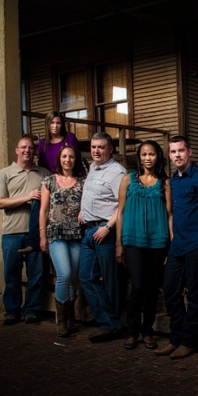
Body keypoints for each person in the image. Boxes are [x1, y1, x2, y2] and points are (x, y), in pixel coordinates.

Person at [153, 136, 198, 359]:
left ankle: (189, 341)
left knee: (196, 295)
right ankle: (176, 338)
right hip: (177, 245)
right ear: (169, 155)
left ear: (190, 152)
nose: (177, 155)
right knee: (170, 291)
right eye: (173, 152)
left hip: (197, 245)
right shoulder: (173, 181)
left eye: (181, 150)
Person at [116, 140, 173, 351]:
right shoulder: (128, 180)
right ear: (139, 157)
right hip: (133, 241)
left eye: (151, 154)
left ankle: (147, 332)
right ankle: (132, 332)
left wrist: (172, 242)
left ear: (158, 156)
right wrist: (118, 244)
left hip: (158, 242)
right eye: (144, 154)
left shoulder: (164, 183)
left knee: (151, 289)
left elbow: (169, 215)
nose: (147, 158)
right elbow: (120, 213)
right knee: (138, 286)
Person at [0, 136, 50, 325]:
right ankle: (11, 310)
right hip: (12, 232)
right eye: (23, 147)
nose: (27, 151)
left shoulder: (43, 173)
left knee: (37, 273)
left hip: (36, 233)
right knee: (11, 274)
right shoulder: (5, 173)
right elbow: (0, 202)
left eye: (31, 148)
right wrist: (27, 197)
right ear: (17, 150)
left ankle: (31, 310)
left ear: (35, 152)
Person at [79, 132, 128, 343]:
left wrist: (108, 226)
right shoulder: (92, 167)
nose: (96, 151)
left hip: (104, 232)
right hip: (89, 231)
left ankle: (111, 325)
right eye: (93, 147)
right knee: (86, 277)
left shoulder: (118, 172)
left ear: (111, 150)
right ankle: (108, 321)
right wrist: (83, 211)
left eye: (100, 147)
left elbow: (122, 205)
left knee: (111, 281)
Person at [39, 145, 85, 337]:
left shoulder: (82, 182)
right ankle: (61, 320)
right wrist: (42, 236)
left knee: (73, 277)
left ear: (76, 160)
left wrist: (84, 210)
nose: (68, 160)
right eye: (64, 156)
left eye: (71, 157)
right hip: (56, 233)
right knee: (64, 274)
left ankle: (71, 319)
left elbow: (87, 203)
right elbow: (43, 210)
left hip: (76, 234)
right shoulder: (49, 181)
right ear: (59, 159)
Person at [20, 112, 81, 254]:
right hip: (53, 180)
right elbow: (43, 166)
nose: (55, 126)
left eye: (58, 123)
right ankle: (33, 241)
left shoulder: (69, 137)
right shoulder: (42, 143)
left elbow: (75, 159)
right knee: (38, 198)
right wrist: (49, 184)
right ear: (47, 125)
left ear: (62, 124)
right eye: (52, 123)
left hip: (72, 176)